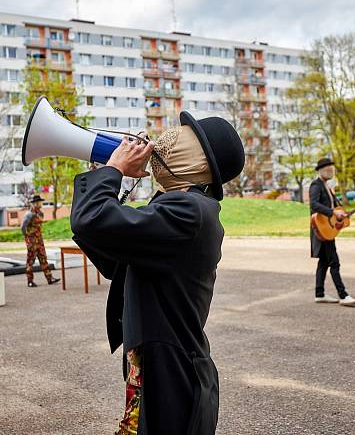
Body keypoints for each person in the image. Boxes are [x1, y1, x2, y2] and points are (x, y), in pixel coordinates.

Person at [70, 113, 245, 435]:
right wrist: (109, 174)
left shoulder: (190, 211)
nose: (162, 140)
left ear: (200, 161)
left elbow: (91, 220)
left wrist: (114, 171)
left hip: (171, 370)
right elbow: (115, 259)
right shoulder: (183, 206)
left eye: (182, 136)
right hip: (162, 362)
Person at [309, 158, 355, 307]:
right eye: (329, 170)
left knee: (324, 262)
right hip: (321, 228)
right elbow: (313, 204)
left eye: (332, 170)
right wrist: (332, 212)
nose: (331, 172)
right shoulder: (316, 185)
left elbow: (335, 208)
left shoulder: (327, 186)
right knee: (334, 262)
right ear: (321, 170)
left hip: (328, 229)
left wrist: (341, 213)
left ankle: (320, 294)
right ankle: (343, 295)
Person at [21, 195, 59, 288]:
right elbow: (23, 227)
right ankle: (30, 281)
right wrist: (27, 238)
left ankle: (49, 278)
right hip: (32, 241)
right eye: (38, 203)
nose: (40, 204)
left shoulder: (41, 213)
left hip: (39, 241)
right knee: (30, 261)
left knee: (43, 259)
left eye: (40, 202)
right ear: (34, 204)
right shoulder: (29, 214)